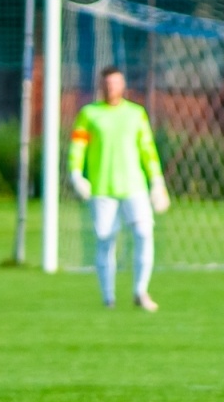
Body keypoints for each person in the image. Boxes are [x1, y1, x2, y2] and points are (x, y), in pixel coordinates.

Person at [68, 65, 169, 311]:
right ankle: (108, 297)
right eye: (107, 83)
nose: (111, 87)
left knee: (144, 234)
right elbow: (78, 147)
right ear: (101, 86)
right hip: (102, 188)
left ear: (123, 86)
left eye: (115, 83)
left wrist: (156, 181)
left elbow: (147, 149)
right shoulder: (89, 114)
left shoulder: (136, 114)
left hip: (134, 186)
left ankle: (140, 291)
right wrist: (75, 173)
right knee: (105, 239)